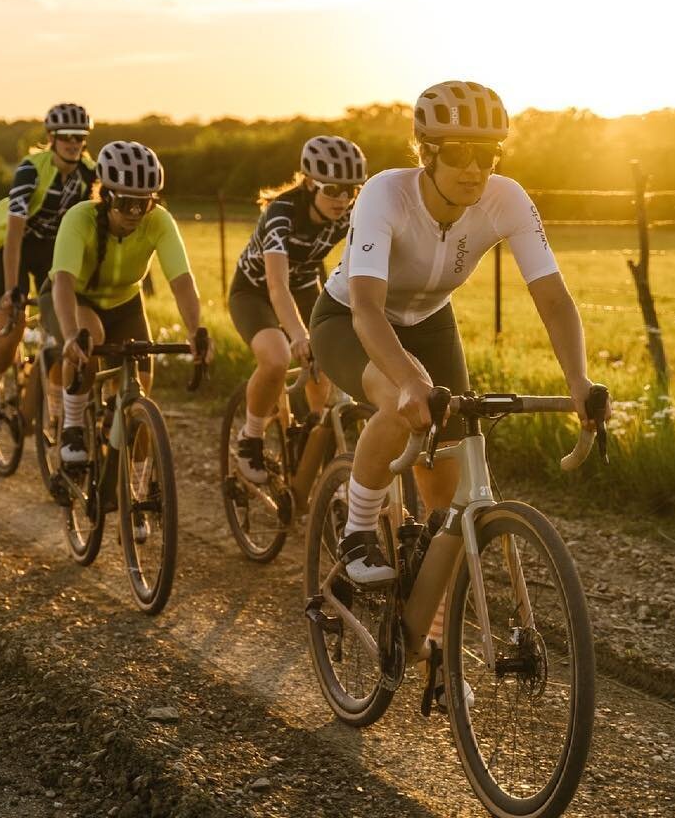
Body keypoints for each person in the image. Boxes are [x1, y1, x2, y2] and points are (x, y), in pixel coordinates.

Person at [309, 79, 609, 658]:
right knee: (400, 402)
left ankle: (425, 641)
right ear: (426, 152)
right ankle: (357, 531)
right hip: (350, 318)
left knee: (447, 496)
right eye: (460, 153)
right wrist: (409, 381)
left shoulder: (506, 199)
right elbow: (369, 308)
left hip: (430, 321)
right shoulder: (384, 194)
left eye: (489, 153)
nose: (476, 169)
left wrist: (579, 379)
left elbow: (552, 297)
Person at [46, 140, 209, 467]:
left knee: (141, 390)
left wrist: (196, 331)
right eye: (125, 202)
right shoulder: (80, 219)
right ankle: (74, 425)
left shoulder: (159, 222)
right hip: (79, 299)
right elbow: (62, 281)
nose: (135, 212)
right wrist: (68, 336)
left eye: (144, 203)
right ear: (105, 195)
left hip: (126, 302)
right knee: (89, 337)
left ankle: (132, 487)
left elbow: (182, 281)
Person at [228, 136, 366, 484]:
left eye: (351, 190)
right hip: (255, 292)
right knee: (276, 358)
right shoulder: (280, 215)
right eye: (332, 189)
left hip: (305, 287)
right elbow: (276, 285)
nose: (342, 199)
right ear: (309, 182)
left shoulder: (351, 213)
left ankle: (312, 445)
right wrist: (300, 335)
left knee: (323, 373)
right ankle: (251, 436)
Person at [0, 103, 99, 432]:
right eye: (67, 137)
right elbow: (15, 233)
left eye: (80, 137)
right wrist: (11, 291)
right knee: (12, 327)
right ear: (52, 138)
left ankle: (46, 407)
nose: (74, 143)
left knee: (63, 327)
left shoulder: (90, 174)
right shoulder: (31, 170)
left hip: (54, 252)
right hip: (16, 247)